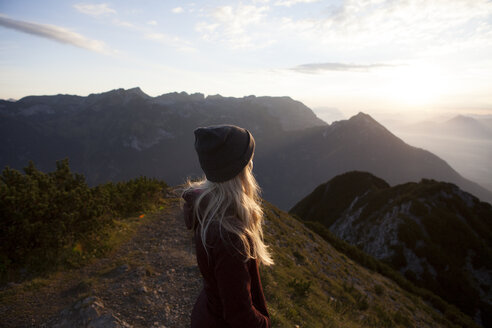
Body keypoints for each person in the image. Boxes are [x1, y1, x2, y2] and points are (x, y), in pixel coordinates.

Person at [182, 124, 274, 328]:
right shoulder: (230, 237)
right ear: (240, 169)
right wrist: (265, 323)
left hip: (208, 314)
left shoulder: (208, 210)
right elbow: (239, 317)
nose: (251, 164)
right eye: (248, 161)